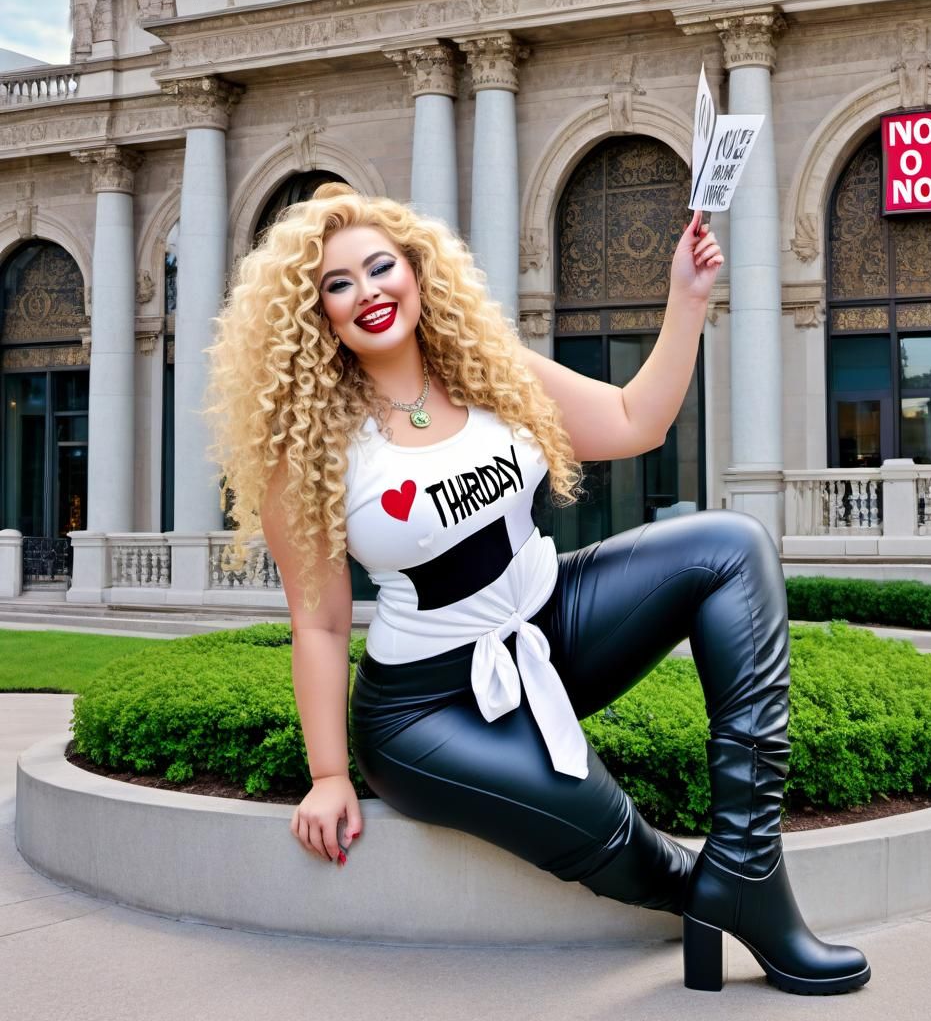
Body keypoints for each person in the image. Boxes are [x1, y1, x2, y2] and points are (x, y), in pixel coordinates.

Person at [205, 182, 870, 996]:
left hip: (549, 623)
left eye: (381, 267)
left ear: (417, 270)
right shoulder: (308, 450)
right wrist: (329, 774)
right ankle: (724, 898)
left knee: (731, 546)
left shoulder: (490, 371)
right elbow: (320, 622)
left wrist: (686, 299)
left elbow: (634, 420)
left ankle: (750, 864)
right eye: (338, 285)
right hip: (426, 707)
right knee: (604, 826)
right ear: (318, 317)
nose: (367, 292)